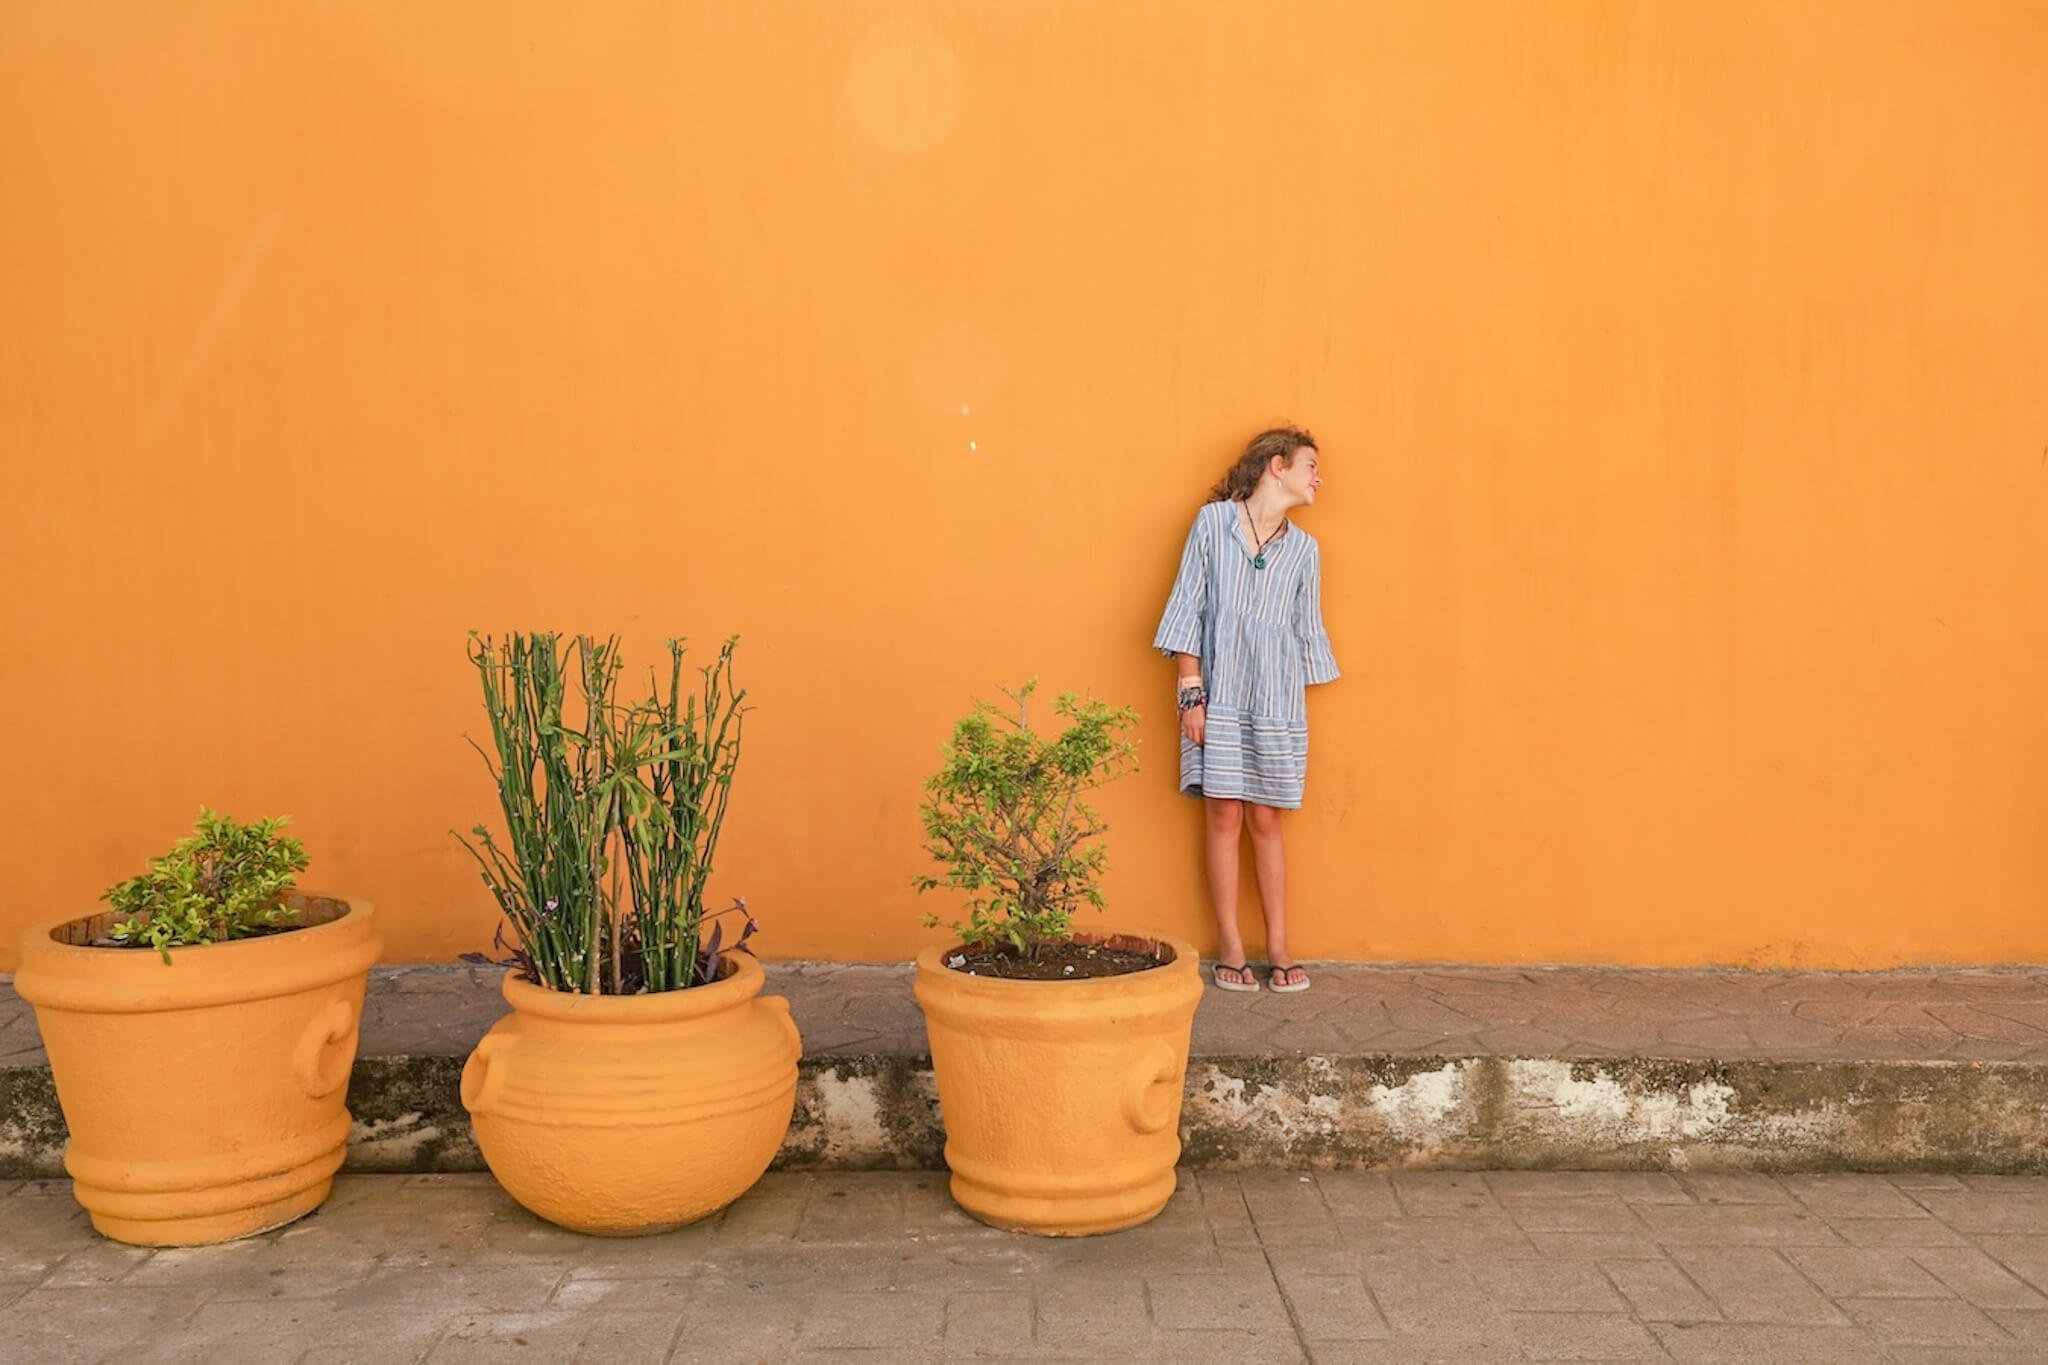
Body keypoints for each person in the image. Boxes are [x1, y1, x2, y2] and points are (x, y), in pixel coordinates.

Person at [1152, 426, 1339, 994]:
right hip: (1219, 694)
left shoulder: (1305, 551)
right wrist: (1191, 692)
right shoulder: (1213, 525)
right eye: (1311, 466)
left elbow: (1305, 633)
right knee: (1224, 814)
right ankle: (1232, 943)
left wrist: (1291, 710)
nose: (1318, 478)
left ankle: (1279, 945)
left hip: (1276, 702)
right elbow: (1189, 603)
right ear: (1277, 466)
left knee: (1265, 818)